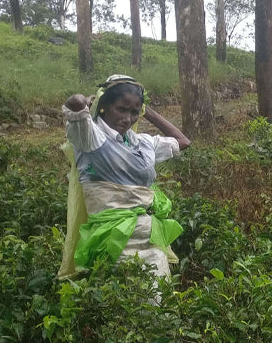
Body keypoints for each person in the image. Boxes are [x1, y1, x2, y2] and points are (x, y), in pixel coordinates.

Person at [58, 75, 191, 280]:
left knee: (160, 303)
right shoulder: (91, 138)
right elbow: (75, 103)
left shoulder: (142, 143)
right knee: (126, 301)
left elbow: (183, 141)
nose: (128, 118)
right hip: (113, 240)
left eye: (134, 112)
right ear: (103, 106)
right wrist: (88, 101)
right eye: (121, 109)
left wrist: (147, 112)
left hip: (150, 237)